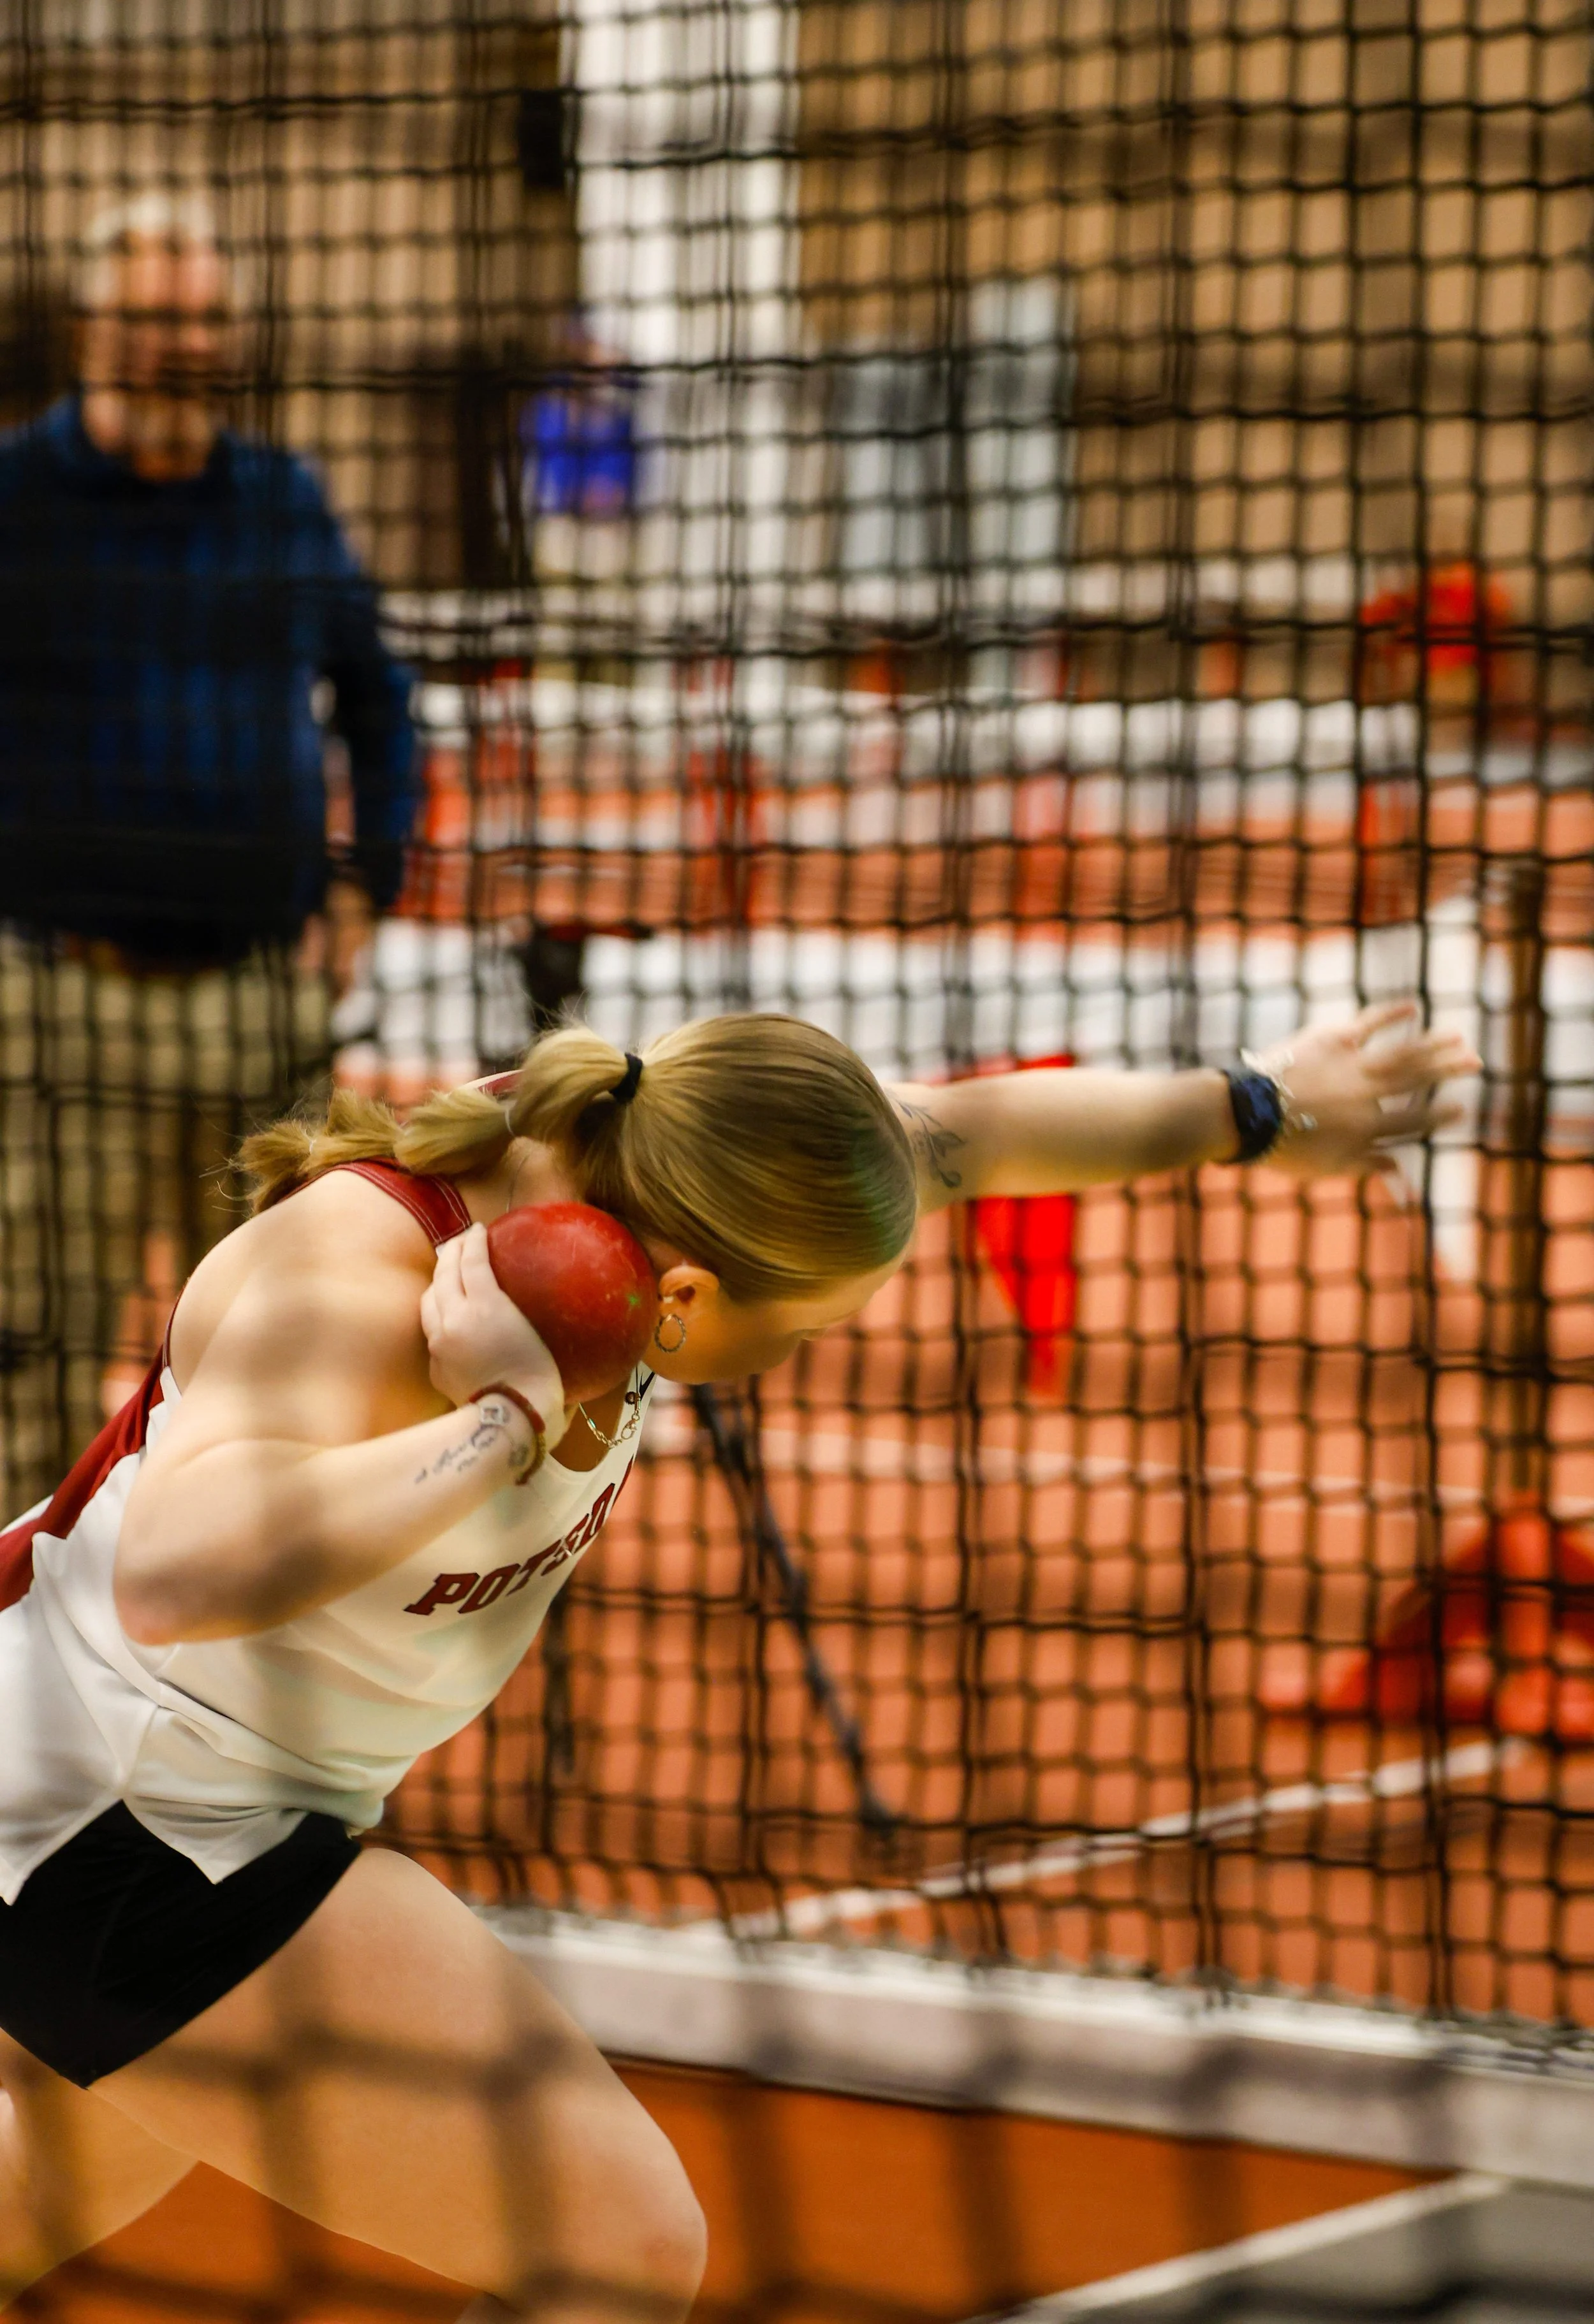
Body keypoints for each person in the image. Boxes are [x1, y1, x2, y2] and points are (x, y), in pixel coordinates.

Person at [0, 1003, 1472, 2318]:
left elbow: (977, 1127)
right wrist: (504, 1419)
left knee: (37, 2199)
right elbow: (177, 1569)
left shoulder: (677, 1156)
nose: (820, 1343)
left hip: (151, 1793)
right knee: (615, 2248)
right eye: (811, 1326)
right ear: (687, 1297)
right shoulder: (363, 1263)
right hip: (117, 1809)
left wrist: (1261, 1103)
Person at [0, 193, 416, 1502]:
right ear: (91, 332)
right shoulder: (14, 497)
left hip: (256, 1005)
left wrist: (365, 882)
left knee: (271, 1344)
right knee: (33, 1347)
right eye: (149, 321)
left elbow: (378, 697)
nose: (179, 347)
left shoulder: (280, 497)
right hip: (63, 1002)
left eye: (201, 321)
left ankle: (239, 1614)